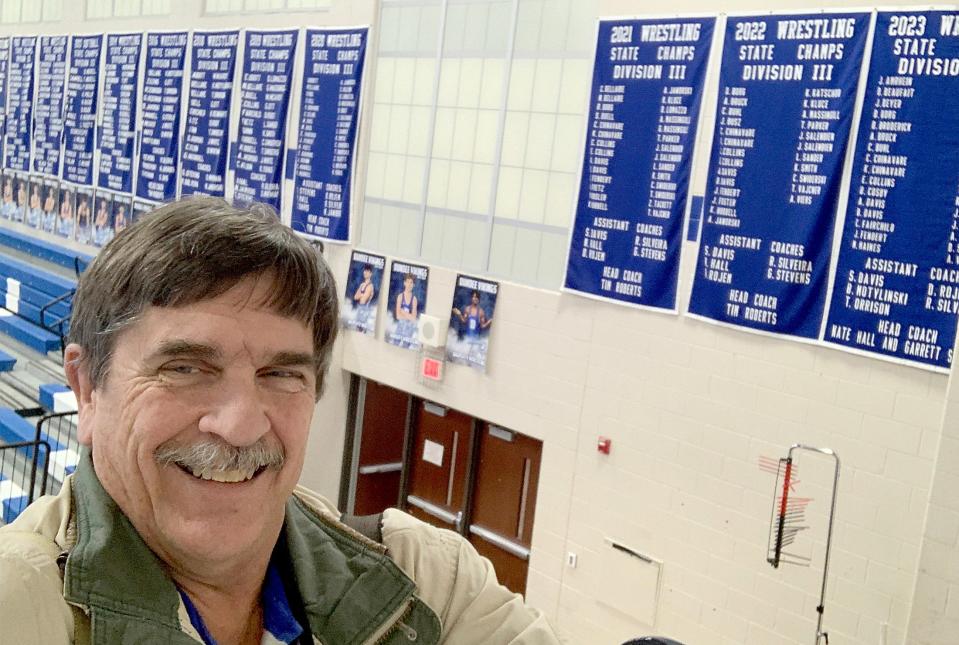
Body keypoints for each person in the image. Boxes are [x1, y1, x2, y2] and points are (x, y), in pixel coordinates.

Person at [0, 197, 560, 645]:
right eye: (186, 367)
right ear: (87, 389)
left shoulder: (427, 583)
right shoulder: (20, 605)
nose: (241, 425)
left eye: (280, 374)